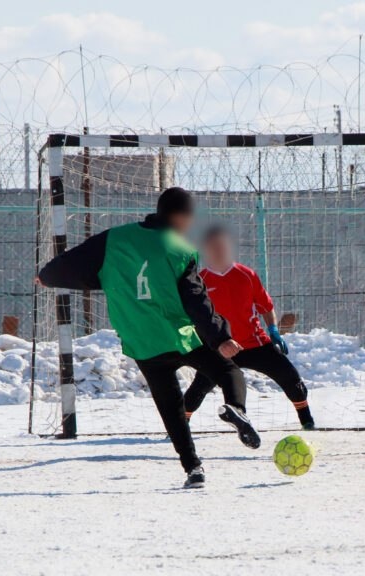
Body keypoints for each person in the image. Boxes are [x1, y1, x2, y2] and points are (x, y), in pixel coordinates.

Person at [36, 187, 260, 489]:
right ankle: (236, 408)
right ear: (181, 217)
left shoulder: (114, 239)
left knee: (171, 408)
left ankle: (193, 468)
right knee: (228, 370)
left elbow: (71, 265)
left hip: (141, 341)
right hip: (180, 336)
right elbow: (196, 301)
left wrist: (47, 277)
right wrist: (220, 337)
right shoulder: (181, 250)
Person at [183, 226, 314, 430]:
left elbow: (266, 307)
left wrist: (273, 331)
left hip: (254, 343)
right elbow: (193, 316)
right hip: (220, 347)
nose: (219, 250)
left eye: (223, 246)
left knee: (290, 377)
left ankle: (307, 422)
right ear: (206, 250)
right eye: (214, 247)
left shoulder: (246, 275)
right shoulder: (201, 280)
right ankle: (180, 427)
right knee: (199, 388)